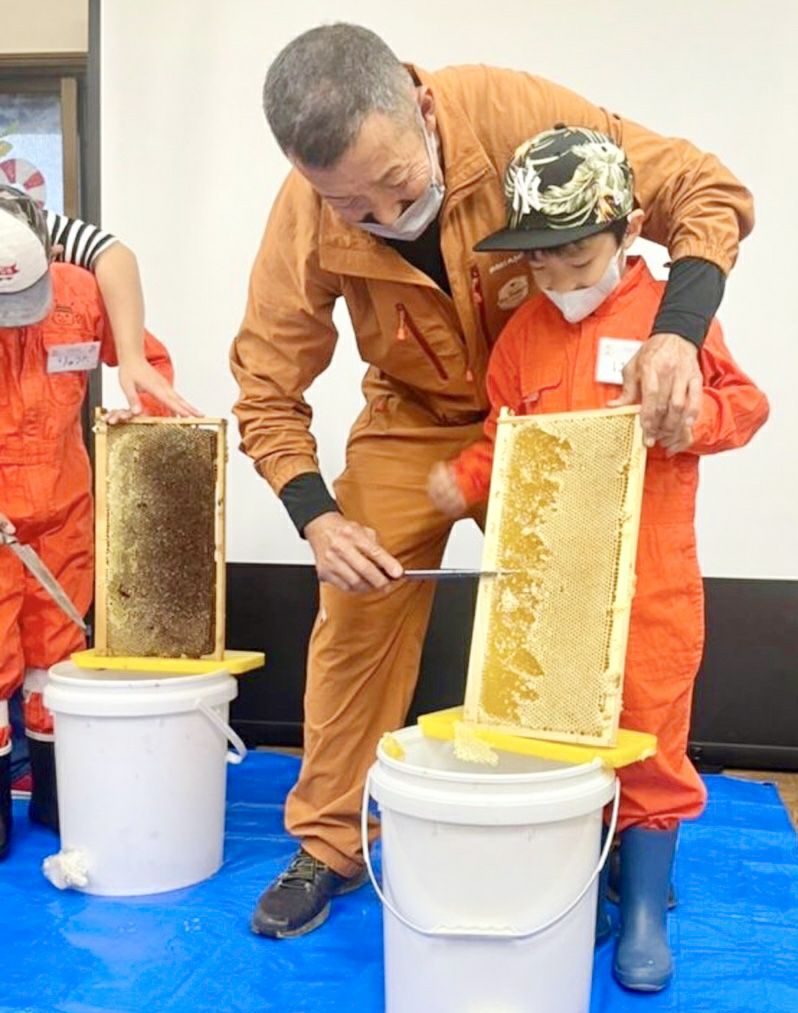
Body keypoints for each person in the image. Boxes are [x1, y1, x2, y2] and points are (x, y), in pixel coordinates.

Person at [231, 22, 755, 940]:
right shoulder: (308, 209)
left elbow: (705, 189)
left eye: (392, 184)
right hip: (415, 420)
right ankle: (330, 841)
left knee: (582, 626)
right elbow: (266, 387)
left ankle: (596, 847)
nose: (379, 212)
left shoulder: (512, 112)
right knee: (354, 610)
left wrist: (677, 329)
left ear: (421, 110)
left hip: (557, 402)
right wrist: (316, 518)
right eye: (347, 204)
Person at [427, 126, 769, 991]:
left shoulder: (671, 319)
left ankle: (647, 904)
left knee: (650, 733)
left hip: (650, 575)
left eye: (577, 261)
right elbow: (502, 441)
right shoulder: (522, 338)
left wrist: (692, 421)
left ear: (628, 234)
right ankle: (592, 882)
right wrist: (460, 484)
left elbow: (748, 405)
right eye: (540, 266)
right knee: (555, 729)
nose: (558, 282)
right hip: (551, 582)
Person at [0, 185, 181, 858]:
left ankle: (56, 795)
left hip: (62, 521)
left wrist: (142, 403)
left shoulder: (76, 295)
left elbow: (145, 365)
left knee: (57, 665)